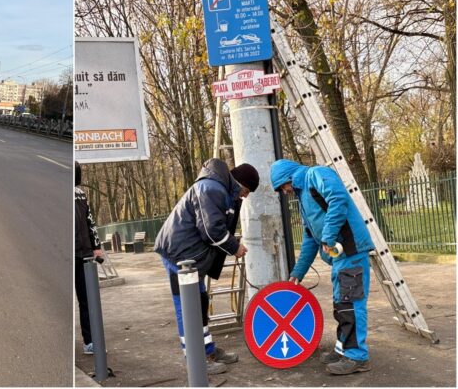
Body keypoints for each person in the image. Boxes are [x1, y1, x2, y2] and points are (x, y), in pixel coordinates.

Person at [154, 158, 259, 375]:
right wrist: (234, 247)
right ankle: (196, 360)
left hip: (191, 256)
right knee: (187, 307)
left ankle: (208, 350)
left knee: (199, 303)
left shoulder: (219, 190)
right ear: (240, 183)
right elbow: (211, 230)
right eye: (247, 191)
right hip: (179, 255)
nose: (245, 196)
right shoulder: (211, 189)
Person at [270, 159, 373, 375]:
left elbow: (338, 198)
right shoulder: (302, 197)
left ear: (289, 178)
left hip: (351, 249)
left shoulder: (316, 174)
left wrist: (328, 235)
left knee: (350, 303)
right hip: (340, 255)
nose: (285, 192)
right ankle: (343, 349)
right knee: (341, 304)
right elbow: (310, 237)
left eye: (283, 187)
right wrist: (298, 272)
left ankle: (357, 357)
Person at [74, 161, 103, 355]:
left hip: (82, 254)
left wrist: (96, 246)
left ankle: (90, 340)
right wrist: (95, 246)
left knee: (86, 299)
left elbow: (89, 221)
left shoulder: (80, 194)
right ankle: (89, 340)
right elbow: (90, 222)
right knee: (85, 300)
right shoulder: (79, 194)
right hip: (79, 252)